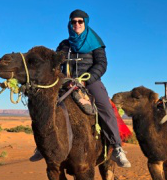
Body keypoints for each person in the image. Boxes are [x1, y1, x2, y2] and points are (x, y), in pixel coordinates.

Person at [30, 9, 131, 168]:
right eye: (73, 22)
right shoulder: (64, 45)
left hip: (90, 81)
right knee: (45, 106)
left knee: (105, 107)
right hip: (66, 82)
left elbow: (102, 64)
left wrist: (87, 79)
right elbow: (56, 65)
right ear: (69, 24)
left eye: (80, 21)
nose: (77, 24)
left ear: (86, 22)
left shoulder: (96, 43)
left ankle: (117, 147)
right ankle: (42, 147)